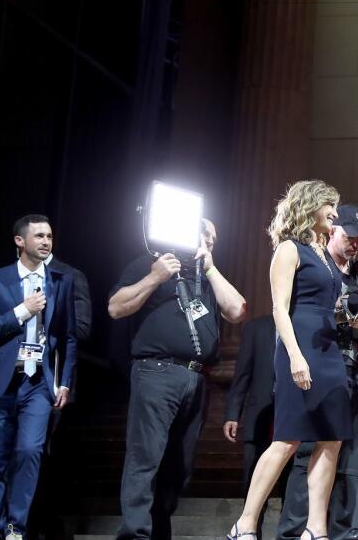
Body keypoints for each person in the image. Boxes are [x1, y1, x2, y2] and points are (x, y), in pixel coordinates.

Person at [276, 203, 358, 539]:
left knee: (351, 462)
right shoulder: (315, 267)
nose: (355, 243)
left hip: (357, 373)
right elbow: (315, 311)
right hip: (322, 365)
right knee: (306, 451)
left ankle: (333, 532)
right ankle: (293, 533)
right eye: (349, 236)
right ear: (331, 231)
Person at [228, 181, 351, 540]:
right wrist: (295, 356)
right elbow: (279, 309)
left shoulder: (327, 255)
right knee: (287, 439)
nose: (335, 213)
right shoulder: (288, 249)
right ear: (309, 206)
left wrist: (353, 318)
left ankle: (316, 528)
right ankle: (246, 523)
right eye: (329, 206)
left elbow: (329, 308)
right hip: (300, 351)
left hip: (330, 353)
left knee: (332, 439)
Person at [109, 218, 247, 540]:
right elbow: (115, 308)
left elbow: (238, 311)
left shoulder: (207, 277)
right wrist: (155, 276)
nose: (210, 242)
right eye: (205, 236)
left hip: (197, 380)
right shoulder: (151, 262)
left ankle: (159, 531)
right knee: (145, 459)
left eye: (214, 239)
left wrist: (211, 270)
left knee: (179, 468)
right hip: (156, 372)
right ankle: (134, 534)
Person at [0, 216, 77, 540]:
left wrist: (64, 382)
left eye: (49, 236)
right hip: (2, 381)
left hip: (38, 383)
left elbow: (69, 335)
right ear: (20, 241)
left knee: (30, 452)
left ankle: (15, 527)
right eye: (39, 236)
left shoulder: (60, 280)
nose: (46, 241)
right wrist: (22, 311)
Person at [223, 314, 279, 535]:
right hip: (259, 417)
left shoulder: (302, 325)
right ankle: (250, 532)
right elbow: (242, 373)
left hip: (292, 418)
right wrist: (232, 414)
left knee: (292, 485)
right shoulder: (256, 328)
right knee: (254, 483)